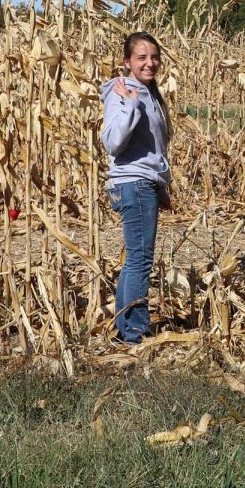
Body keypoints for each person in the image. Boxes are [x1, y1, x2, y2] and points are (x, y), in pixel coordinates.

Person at [100, 31, 171, 342]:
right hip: (134, 183)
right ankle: (135, 333)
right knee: (141, 259)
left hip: (144, 183)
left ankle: (125, 326)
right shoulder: (125, 92)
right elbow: (113, 142)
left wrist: (162, 186)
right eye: (141, 57)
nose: (149, 63)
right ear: (126, 62)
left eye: (154, 57)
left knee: (135, 260)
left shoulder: (147, 92)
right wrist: (130, 106)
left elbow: (154, 148)